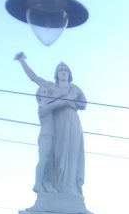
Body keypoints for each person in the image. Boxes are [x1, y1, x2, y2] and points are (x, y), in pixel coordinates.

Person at [14, 52, 86, 197]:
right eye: (60, 70)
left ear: (70, 74)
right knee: (58, 155)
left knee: (72, 154)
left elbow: (84, 104)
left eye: (66, 70)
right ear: (56, 74)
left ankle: (70, 186)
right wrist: (22, 61)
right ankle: (54, 186)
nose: (63, 72)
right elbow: (33, 78)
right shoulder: (50, 87)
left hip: (72, 121)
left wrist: (72, 100)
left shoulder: (75, 88)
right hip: (57, 122)